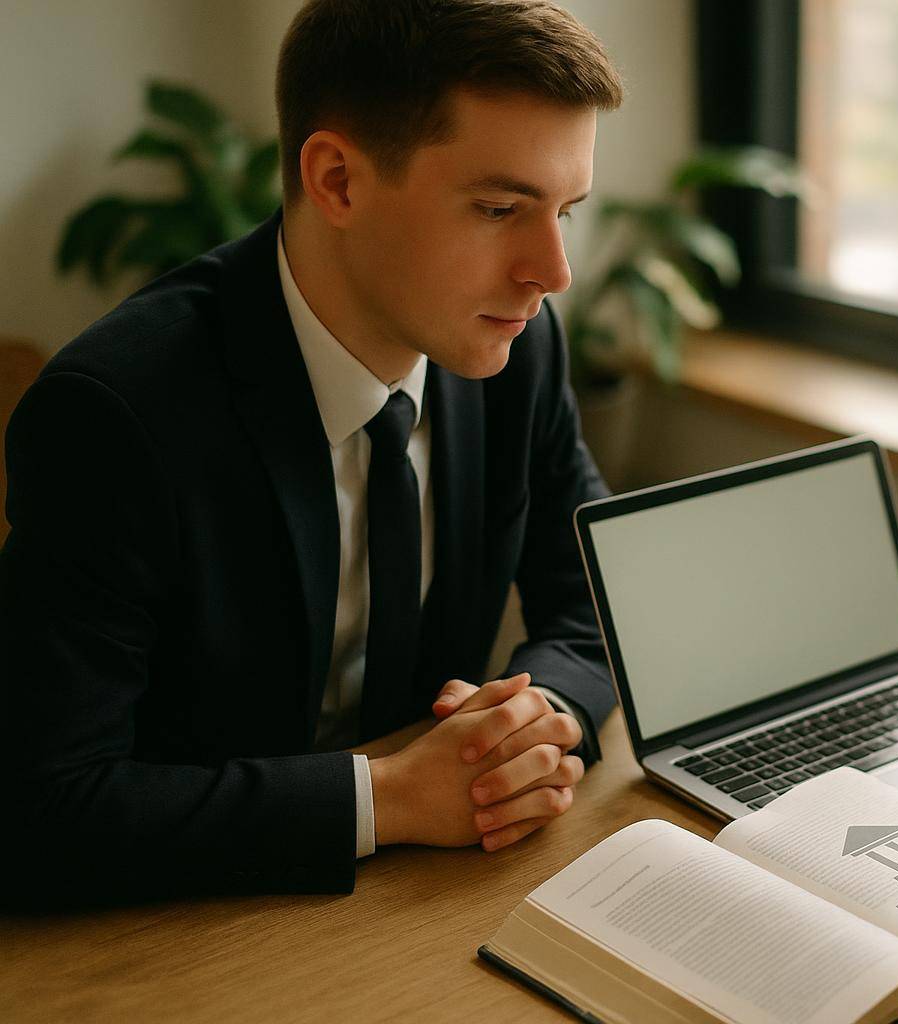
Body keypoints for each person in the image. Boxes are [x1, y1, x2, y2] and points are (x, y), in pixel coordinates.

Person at [0, 0, 625, 908]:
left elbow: (597, 602)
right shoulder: (117, 415)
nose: (552, 270)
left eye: (566, 209)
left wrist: (538, 727)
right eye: (499, 208)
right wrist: (390, 799)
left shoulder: (518, 345)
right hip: (197, 928)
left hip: (430, 902)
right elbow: (40, 806)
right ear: (336, 180)